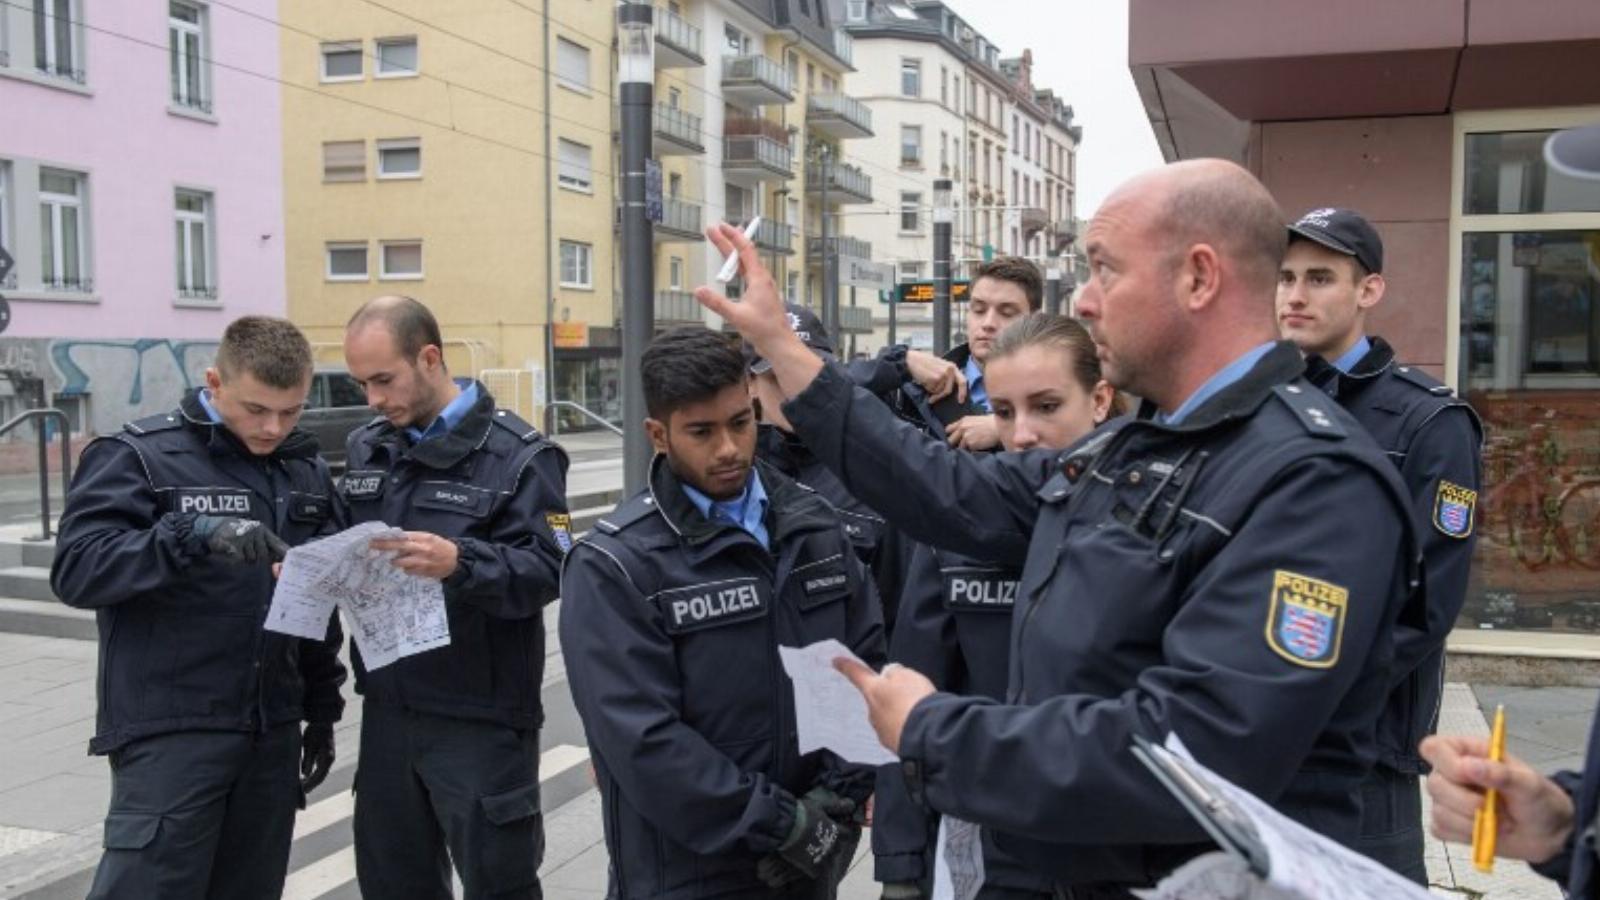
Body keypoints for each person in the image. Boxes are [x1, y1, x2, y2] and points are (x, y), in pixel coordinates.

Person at [696, 158, 1423, 897]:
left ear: (1200, 278)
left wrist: (931, 729)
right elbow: (941, 487)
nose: (1085, 298)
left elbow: (1193, 753)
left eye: (1106, 269)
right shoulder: (1138, 448)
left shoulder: (1312, 481)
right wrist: (786, 353)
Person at [559, 327, 887, 898]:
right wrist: (779, 823)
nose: (729, 448)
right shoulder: (616, 565)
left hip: (806, 858)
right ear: (658, 434)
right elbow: (644, 742)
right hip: (686, 872)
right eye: (702, 432)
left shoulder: (813, 525)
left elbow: (863, 664)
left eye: (740, 422)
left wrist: (839, 797)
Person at [52, 316, 347, 900]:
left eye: (291, 413)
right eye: (257, 409)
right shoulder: (137, 455)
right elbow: (78, 569)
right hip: (172, 732)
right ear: (214, 381)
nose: (273, 427)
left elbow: (316, 602)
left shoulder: (304, 469)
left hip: (271, 733)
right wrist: (189, 533)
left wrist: (320, 706)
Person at [874, 313, 1119, 899]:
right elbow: (912, 688)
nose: (1023, 434)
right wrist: (902, 863)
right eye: (1005, 412)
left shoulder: (1153, 515)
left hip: (1118, 842)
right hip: (993, 847)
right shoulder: (957, 529)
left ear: (1101, 400)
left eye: (1047, 406)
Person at [1277, 206, 1484, 883]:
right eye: (1284, 278)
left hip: (1362, 747)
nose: (1296, 295)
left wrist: (1311, 693)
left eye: (1320, 277)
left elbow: (1426, 605)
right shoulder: (1264, 403)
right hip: (1259, 730)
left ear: (1369, 291)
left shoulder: (1431, 422)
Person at [340, 296, 570, 900]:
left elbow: (555, 565)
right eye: (361, 383)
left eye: (383, 380)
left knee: (499, 885)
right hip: (389, 710)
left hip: (480, 717)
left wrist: (460, 563)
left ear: (431, 358)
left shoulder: (522, 457)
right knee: (392, 884)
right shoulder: (369, 445)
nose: (373, 399)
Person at [885, 256, 1039, 450]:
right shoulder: (914, 391)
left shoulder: (1064, 388)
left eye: (1006, 313)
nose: (988, 323)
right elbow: (841, 385)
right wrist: (899, 362)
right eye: (978, 310)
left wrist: (1005, 428)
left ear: (1034, 320)